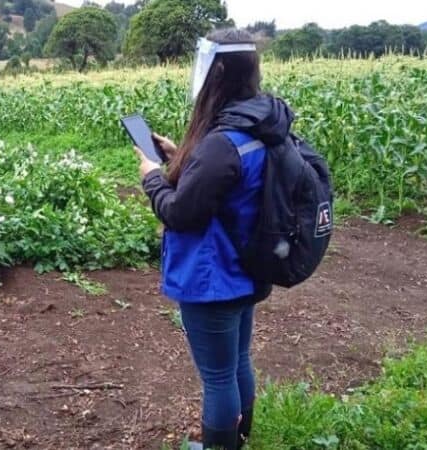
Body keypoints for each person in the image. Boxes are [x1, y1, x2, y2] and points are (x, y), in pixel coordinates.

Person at [134, 28, 295, 449]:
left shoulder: (221, 142)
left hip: (212, 277)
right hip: (250, 268)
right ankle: (239, 439)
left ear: (216, 71)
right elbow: (226, 184)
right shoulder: (262, 124)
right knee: (238, 360)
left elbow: (180, 213)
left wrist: (152, 178)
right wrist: (179, 157)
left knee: (218, 377)